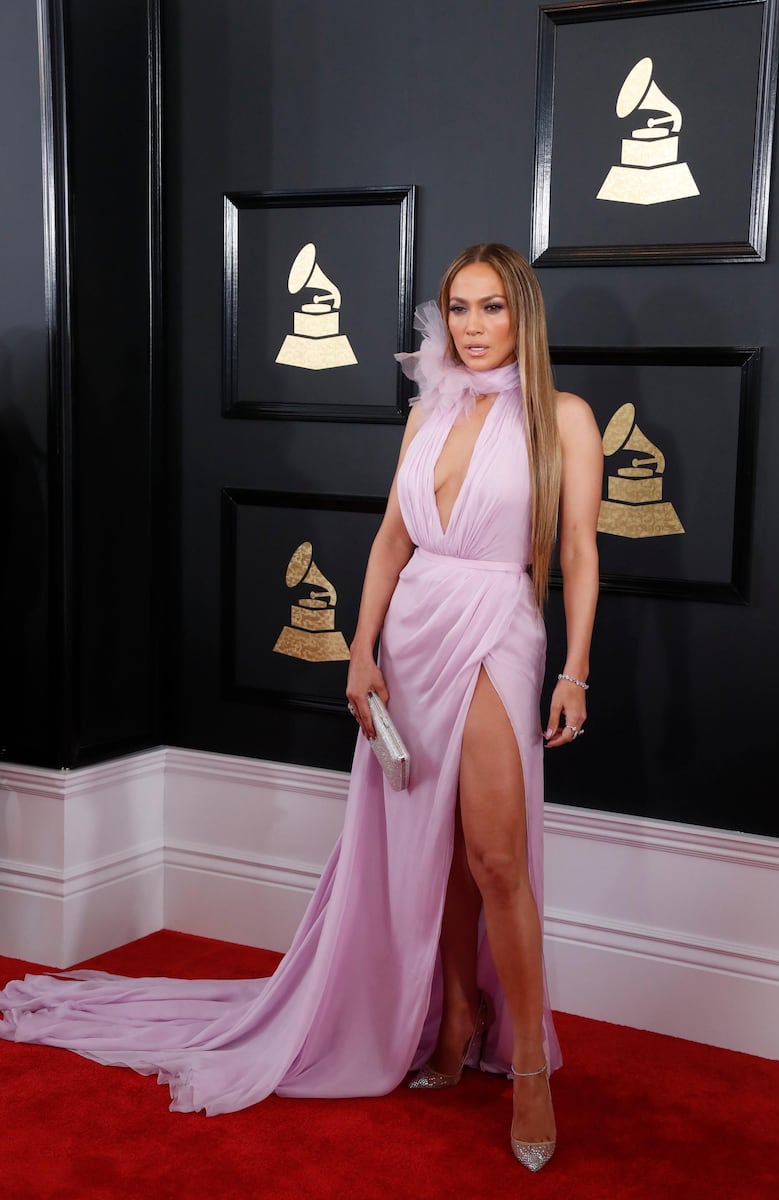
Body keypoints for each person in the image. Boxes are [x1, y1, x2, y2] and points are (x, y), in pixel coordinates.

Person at [0, 243, 601, 1174]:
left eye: (490, 309)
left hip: (496, 630)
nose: (472, 329)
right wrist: (360, 648)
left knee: (495, 856)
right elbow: (392, 543)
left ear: (523, 315)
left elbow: (577, 556)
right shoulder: (428, 412)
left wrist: (575, 671)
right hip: (410, 633)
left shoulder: (563, 417)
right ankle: (455, 1018)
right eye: (457, 311)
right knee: (430, 852)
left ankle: (528, 1068)